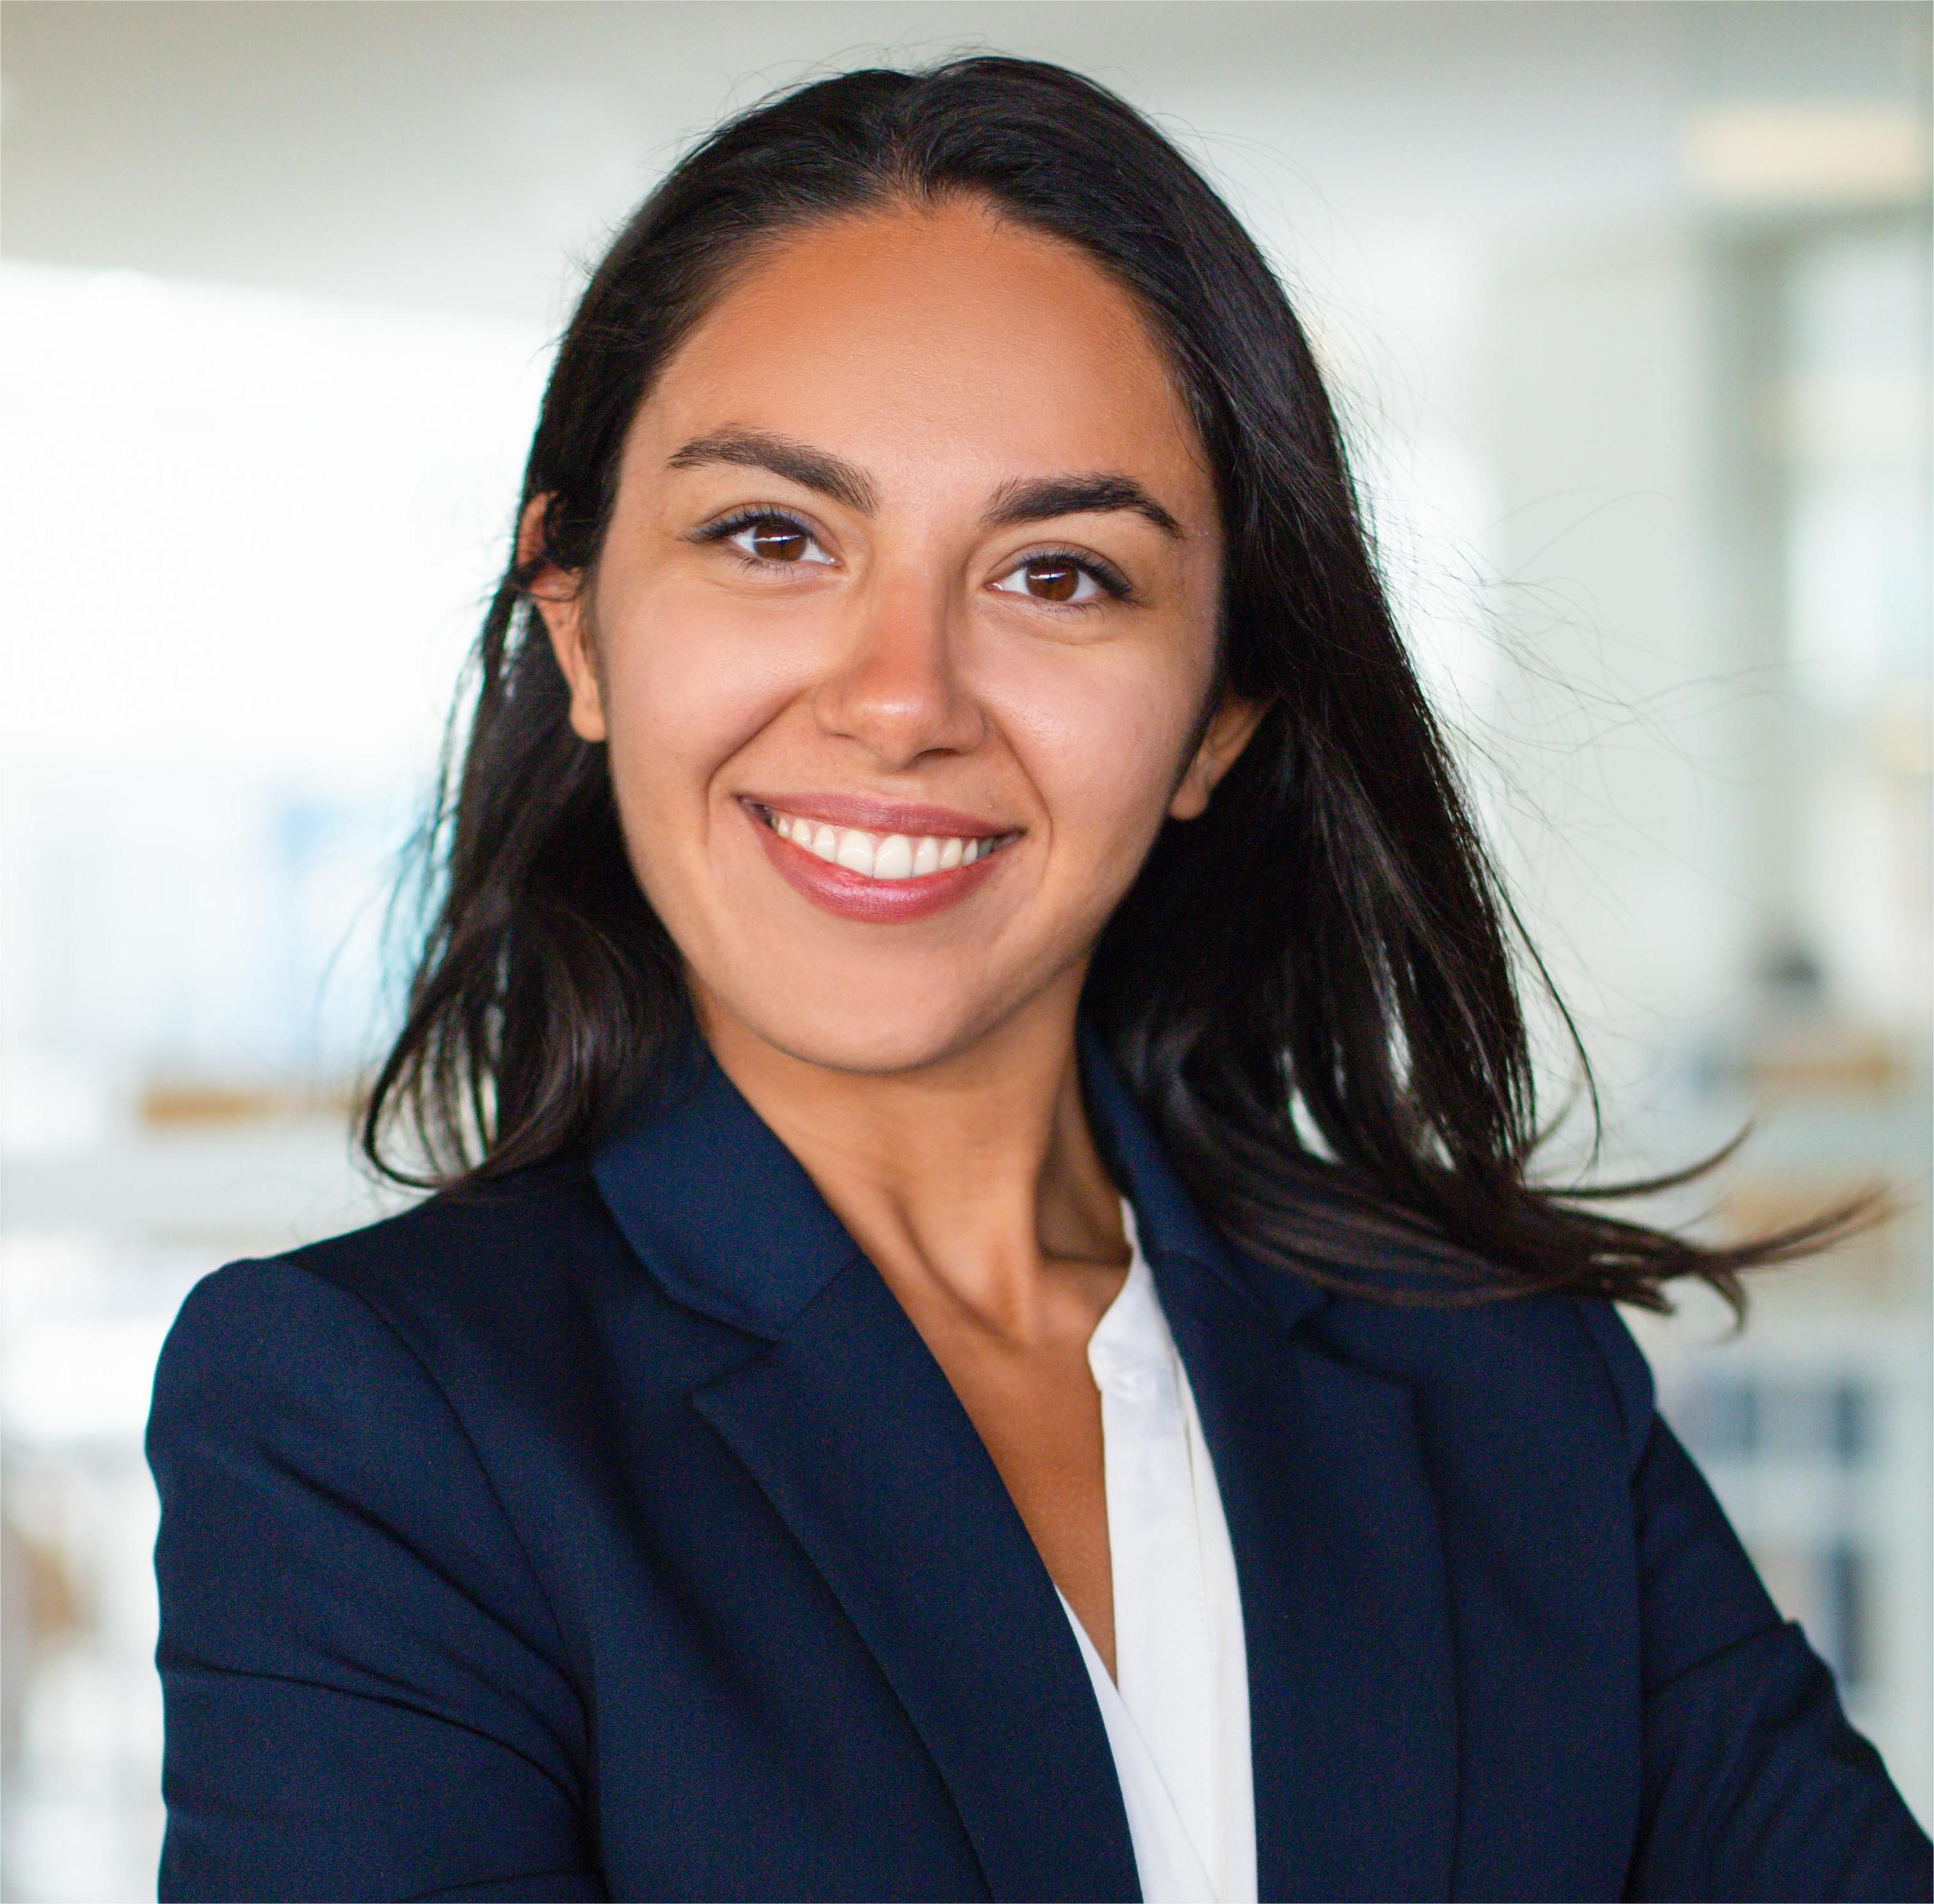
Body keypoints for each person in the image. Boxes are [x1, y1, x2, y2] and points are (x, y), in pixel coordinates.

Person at [146, 55, 1931, 1903]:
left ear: (1218, 710)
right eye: (773, 536)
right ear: (581, 623)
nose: (900, 698)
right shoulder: (374, 1415)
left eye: (1061, 575)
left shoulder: (1497, 1377)